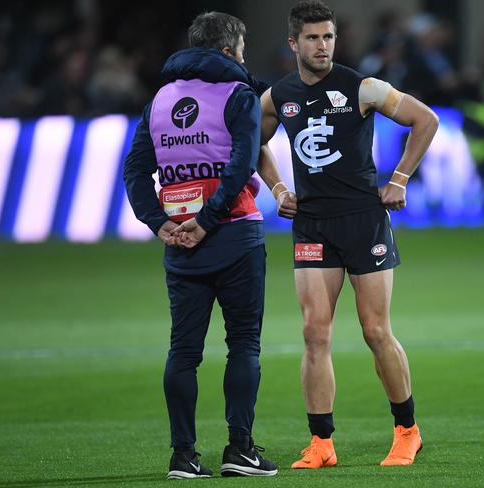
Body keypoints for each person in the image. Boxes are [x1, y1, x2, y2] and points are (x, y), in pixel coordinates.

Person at [259, 0, 438, 468]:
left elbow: (426, 119)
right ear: (294, 43)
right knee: (314, 334)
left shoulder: (363, 87)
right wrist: (277, 187)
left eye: (330, 36)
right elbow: (250, 143)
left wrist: (398, 180)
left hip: (364, 221)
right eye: (314, 38)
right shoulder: (279, 95)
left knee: (376, 330)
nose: (324, 46)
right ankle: (321, 443)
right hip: (312, 224)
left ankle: (407, 431)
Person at [123, 11, 279, 479]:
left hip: (180, 242)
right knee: (244, 345)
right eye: (244, 47)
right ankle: (240, 450)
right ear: (231, 50)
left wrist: (158, 223)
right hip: (233, 235)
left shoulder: (160, 101)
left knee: (183, 352)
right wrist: (209, 221)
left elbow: (134, 170)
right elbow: (241, 165)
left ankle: (183, 456)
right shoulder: (239, 95)